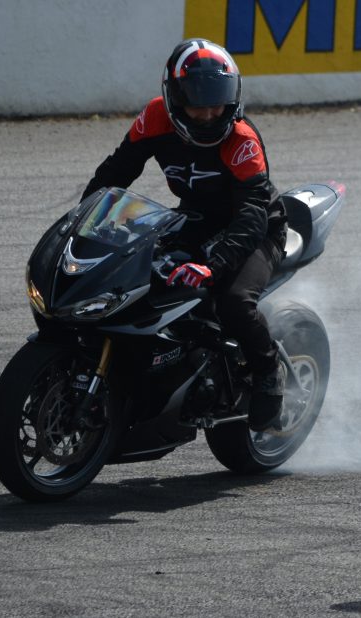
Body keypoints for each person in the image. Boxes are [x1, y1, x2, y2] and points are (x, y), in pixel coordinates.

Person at [81, 38, 287, 431]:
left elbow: (250, 216)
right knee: (136, 271)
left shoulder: (241, 140)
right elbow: (115, 174)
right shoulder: (155, 118)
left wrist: (213, 265)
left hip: (257, 231)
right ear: (174, 98)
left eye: (218, 102)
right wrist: (84, 220)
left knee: (232, 301)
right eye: (198, 101)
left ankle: (267, 371)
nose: (209, 113)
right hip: (196, 219)